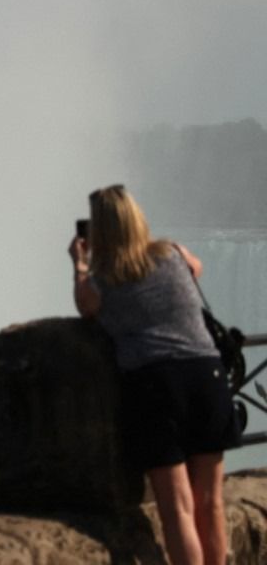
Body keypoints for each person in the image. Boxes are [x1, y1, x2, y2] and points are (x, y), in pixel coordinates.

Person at [69, 185, 236, 565]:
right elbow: (197, 268)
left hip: (155, 385)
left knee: (178, 509)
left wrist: (80, 263)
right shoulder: (172, 253)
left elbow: (84, 306)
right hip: (206, 376)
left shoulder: (103, 279)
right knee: (210, 503)